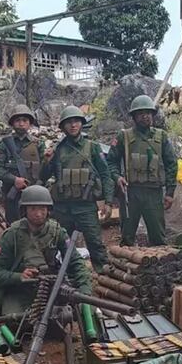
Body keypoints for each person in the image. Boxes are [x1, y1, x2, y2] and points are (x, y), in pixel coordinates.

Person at [0, 185, 92, 315]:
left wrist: (85, 292)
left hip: (50, 287)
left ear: (48, 210)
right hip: (19, 290)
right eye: (33, 209)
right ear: (24, 210)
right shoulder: (12, 235)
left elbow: (75, 262)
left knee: (75, 312)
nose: (38, 214)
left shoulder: (57, 232)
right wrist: (19, 276)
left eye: (42, 208)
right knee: (17, 320)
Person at [40, 105, 113, 270]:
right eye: (69, 122)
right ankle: (64, 276)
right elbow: (43, 176)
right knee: (60, 245)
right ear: (63, 127)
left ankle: (102, 276)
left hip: (86, 205)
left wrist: (108, 202)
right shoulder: (57, 149)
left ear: (81, 124)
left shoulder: (92, 147)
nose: (73, 125)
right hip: (63, 207)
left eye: (76, 122)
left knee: (95, 243)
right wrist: (46, 160)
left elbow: (105, 175)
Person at [106, 95, 177, 247]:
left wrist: (170, 193)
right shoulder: (124, 136)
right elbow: (111, 161)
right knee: (127, 237)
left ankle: (159, 268)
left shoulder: (161, 137)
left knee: (158, 237)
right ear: (134, 117)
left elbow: (172, 164)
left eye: (148, 112)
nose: (145, 116)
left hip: (154, 193)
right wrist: (117, 177)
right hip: (131, 193)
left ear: (152, 114)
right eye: (140, 113)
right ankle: (127, 269)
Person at [0, 104, 46, 224]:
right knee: (13, 227)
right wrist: (14, 180)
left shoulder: (38, 144)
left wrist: (38, 185)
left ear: (30, 123)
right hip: (12, 195)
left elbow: (45, 170)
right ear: (12, 123)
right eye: (18, 120)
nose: (21, 123)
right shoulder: (4, 144)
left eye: (24, 120)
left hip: (34, 196)